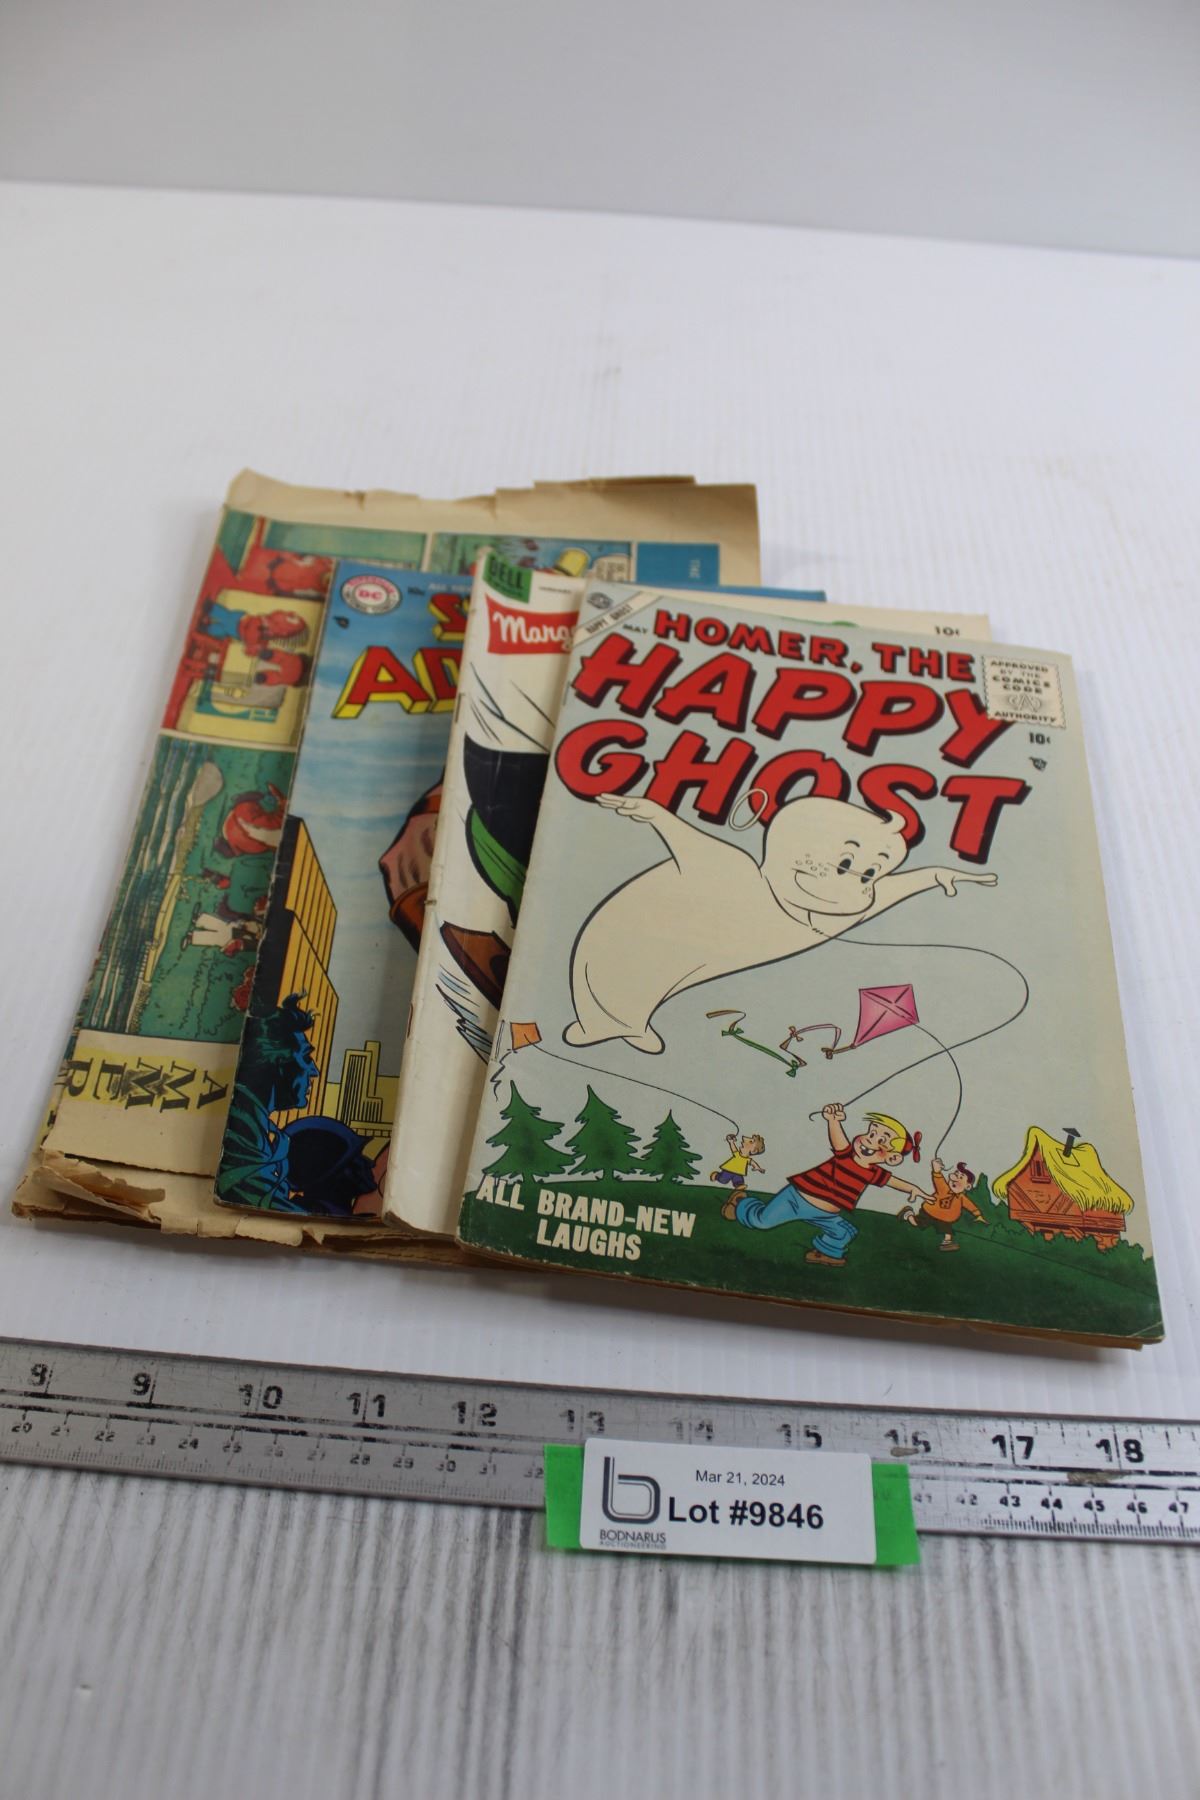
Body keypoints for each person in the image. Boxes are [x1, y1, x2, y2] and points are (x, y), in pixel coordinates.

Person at [728, 1102, 930, 1267]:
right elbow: (838, 1140)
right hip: (796, 1199)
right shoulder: (846, 1155)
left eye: (880, 1141)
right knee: (762, 1221)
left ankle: (824, 1254)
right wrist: (833, 1121)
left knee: (844, 1233)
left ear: (892, 1158)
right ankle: (740, 1204)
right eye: (871, 1133)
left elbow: (892, 1181)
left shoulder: (873, 1172)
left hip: (825, 1214)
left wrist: (913, 1188)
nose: (869, 1140)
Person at [902, 1155, 987, 1251]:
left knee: (947, 1231)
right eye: (956, 1174)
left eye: (961, 1177)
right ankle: (908, 1214)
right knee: (916, 1223)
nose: (956, 1178)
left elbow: (970, 1206)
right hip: (929, 1212)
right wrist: (936, 1170)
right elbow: (938, 1179)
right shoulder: (944, 1189)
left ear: (967, 1186)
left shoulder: (962, 1198)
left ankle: (947, 1243)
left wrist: (978, 1214)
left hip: (945, 1218)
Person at [709, 1132, 766, 1203]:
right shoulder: (737, 1154)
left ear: (754, 1151)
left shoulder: (747, 1159)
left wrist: (758, 1168)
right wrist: (731, 1142)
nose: (742, 1142)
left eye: (751, 1142)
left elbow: (753, 1163)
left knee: (739, 1182)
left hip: (738, 1173)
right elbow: (734, 1149)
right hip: (729, 1170)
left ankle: (739, 1186)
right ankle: (716, 1175)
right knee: (723, 1180)